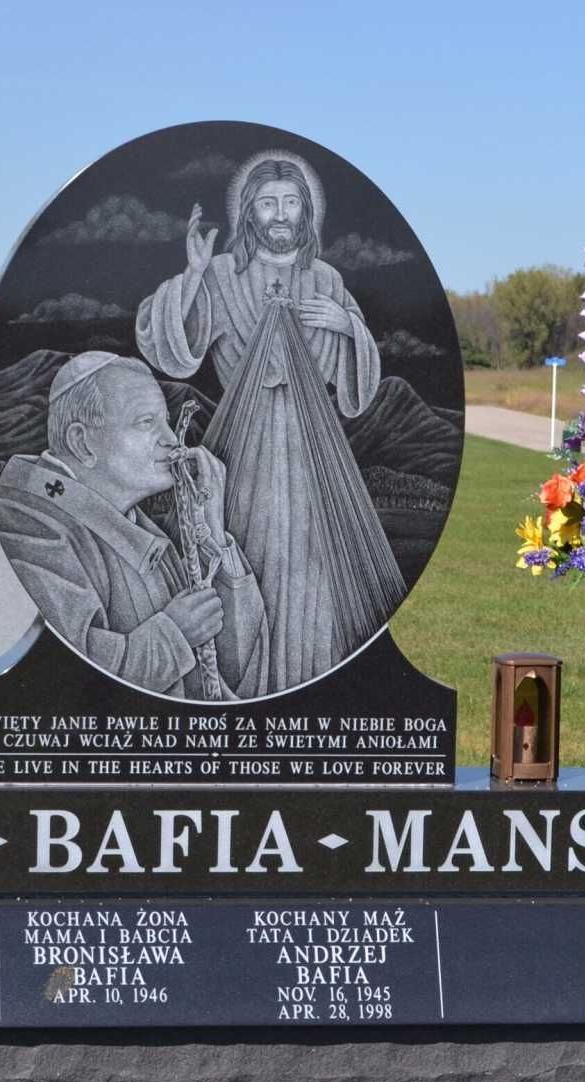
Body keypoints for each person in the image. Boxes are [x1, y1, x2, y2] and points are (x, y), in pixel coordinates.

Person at [136, 151, 407, 693]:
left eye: (289, 203)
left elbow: (356, 386)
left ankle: (309, 677)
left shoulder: (325, 279)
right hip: (244, 450)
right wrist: (191, 275)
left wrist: (348, 328)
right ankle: (248, 678)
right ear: (249, 213)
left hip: (315, 454)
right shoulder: (219, 274)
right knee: (245, 551)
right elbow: (172, 350)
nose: (279, 214)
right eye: (267, 204)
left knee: (315, 568)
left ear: (306, 211)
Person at [0, 352, 268, 699]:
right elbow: (64, 681)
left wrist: (210, 529)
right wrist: (174, 635)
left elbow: (228, 675)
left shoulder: (143, 532)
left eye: (166, 421)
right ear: (82, 442)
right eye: (146, 422)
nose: (170, 438)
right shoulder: (27, 525)